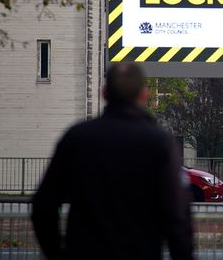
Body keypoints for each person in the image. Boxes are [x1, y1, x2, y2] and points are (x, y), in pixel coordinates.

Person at [32, 63, 194, 260]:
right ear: (144, 94)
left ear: (104, 92)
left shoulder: (77, 138)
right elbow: (177, 214)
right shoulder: (159, 143)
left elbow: (43, 206)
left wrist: (56, 253)